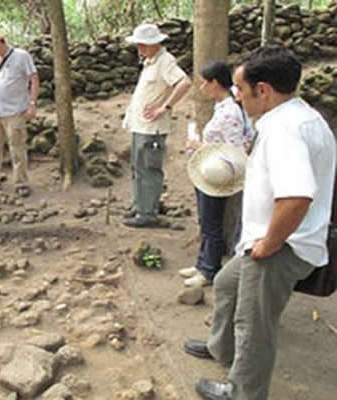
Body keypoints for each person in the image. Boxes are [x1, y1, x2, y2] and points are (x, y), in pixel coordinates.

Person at [184, 45, 336, 400]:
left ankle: (243, 392)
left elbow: (296, 196)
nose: (237, 96)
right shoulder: (303, 118)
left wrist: (270, 243)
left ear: (263, 90)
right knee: (226, 284)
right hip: (277, 239)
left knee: (253, 324)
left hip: (279, 245)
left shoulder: (285, 130)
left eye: (241, 89)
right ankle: (222, 348)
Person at [180, 61, 254, 288]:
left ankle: (209, 269)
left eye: (205, 83)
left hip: (218, 172)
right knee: (206, 219)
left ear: (216, 83)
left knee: (212, 221)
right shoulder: (223, 107)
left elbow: (235, 148)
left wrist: (199, 145)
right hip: (208, 166)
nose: (202, 88)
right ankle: (202, 262)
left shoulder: (230, 112)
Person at [122, 23, 192, 228]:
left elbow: (184, 82)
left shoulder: (165, 61)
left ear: (154, 43)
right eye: (139, 44)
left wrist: (165, 107)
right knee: (138, 167)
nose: (140, 48)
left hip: (152, 127)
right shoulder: (150, 62)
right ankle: (140, 206)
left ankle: (148, 213)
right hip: (141, 125)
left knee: (149, 169)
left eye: (143, 44)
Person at [0, 30, 39, 194]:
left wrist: (32, 104)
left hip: (14, 111)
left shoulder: (21, 56)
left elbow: (34, 79)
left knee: (17, 147)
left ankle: (21, 183)